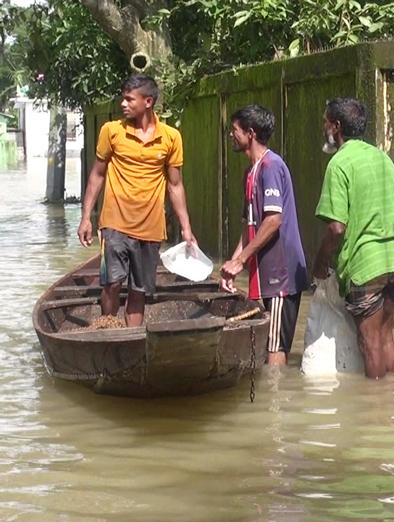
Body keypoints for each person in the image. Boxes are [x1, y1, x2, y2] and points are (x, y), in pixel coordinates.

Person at [77, 75, 197, 327]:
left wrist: (186, 227)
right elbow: (97, 175)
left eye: (129, 99)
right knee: (112, 283)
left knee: (138, 289)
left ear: (148, 102)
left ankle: (132, 339)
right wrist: (86, 217)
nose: (123, 103)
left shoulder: (171, 137)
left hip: (151, 227)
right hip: (114, 223)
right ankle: (107, 328)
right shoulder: (111, 131)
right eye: (123, 97)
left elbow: (175, 185)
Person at [312, 97, 394, 379]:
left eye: (325, 122)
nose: (324, 128)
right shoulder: (382, 158)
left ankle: (374, 413)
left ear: (336, 126)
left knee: (369, 343)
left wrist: (320, 262)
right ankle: (390, 405)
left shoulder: (339, 163)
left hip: (365, 265)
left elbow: (336, 228)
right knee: (387, 337)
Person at [220, 105, 309, 366]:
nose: (231, 136)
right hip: (266, 274)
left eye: (234, 130)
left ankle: (275, 402)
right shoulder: (251, 172)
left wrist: (241, 260)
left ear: (250, 133)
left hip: (281, 274)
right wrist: (233, 265)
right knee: (267, 345)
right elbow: (250, 226)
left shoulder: (271, 166)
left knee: (274, 348)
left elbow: (272, 220)